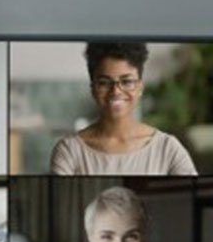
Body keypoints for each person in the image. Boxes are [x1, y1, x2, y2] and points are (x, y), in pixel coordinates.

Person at [47, 42, 197, 176]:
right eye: (105, 82)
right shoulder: (69, 151)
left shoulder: (167, 148)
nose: (116, 91)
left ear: (140, 88)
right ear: (93, 89)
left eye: (126, 81)